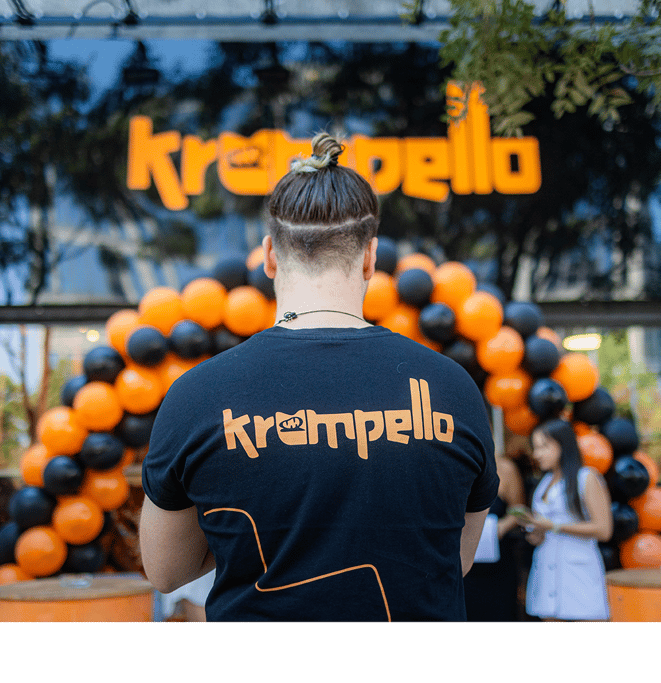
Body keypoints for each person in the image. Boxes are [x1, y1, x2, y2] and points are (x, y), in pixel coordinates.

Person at [139, 132, 499, 622]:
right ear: (370, 258)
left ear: (270, 256)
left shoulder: (198, 394)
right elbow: (454, 558)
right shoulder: (452, 388)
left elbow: (165, 571)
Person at [517, 418, 613, 622]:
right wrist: (535, 532)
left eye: (544, 446)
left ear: (563, 444)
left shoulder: (586, 477)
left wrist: (554, 526)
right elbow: (544, 532)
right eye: (535, 448)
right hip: (546, 570)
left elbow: (604, 529)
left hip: (578, 574)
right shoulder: (543, 484)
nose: (537, 454)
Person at [463, 453, 526, 622]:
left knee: (501, 615)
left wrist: (502, 526)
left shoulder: (505, 468)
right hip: (462, 563)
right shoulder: (453, 465)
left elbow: (519, 509)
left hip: (497, 560)